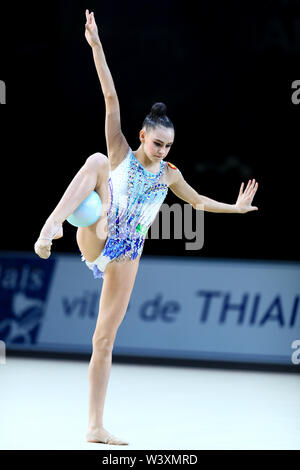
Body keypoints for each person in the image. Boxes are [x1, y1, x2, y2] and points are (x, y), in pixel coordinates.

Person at [34, 10, 259, 445]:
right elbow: (111, 99)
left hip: (128, 253)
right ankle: (50, 227)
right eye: (157, 143)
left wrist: (234, 208)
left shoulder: (169, 173)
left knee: (103, 340)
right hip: (95, 233)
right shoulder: (119, 151)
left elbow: (196, 202)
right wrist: (96, 46)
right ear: (142, 136)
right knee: (96, 163)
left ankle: (95, 427)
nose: (162, 151)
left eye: (168, 146)